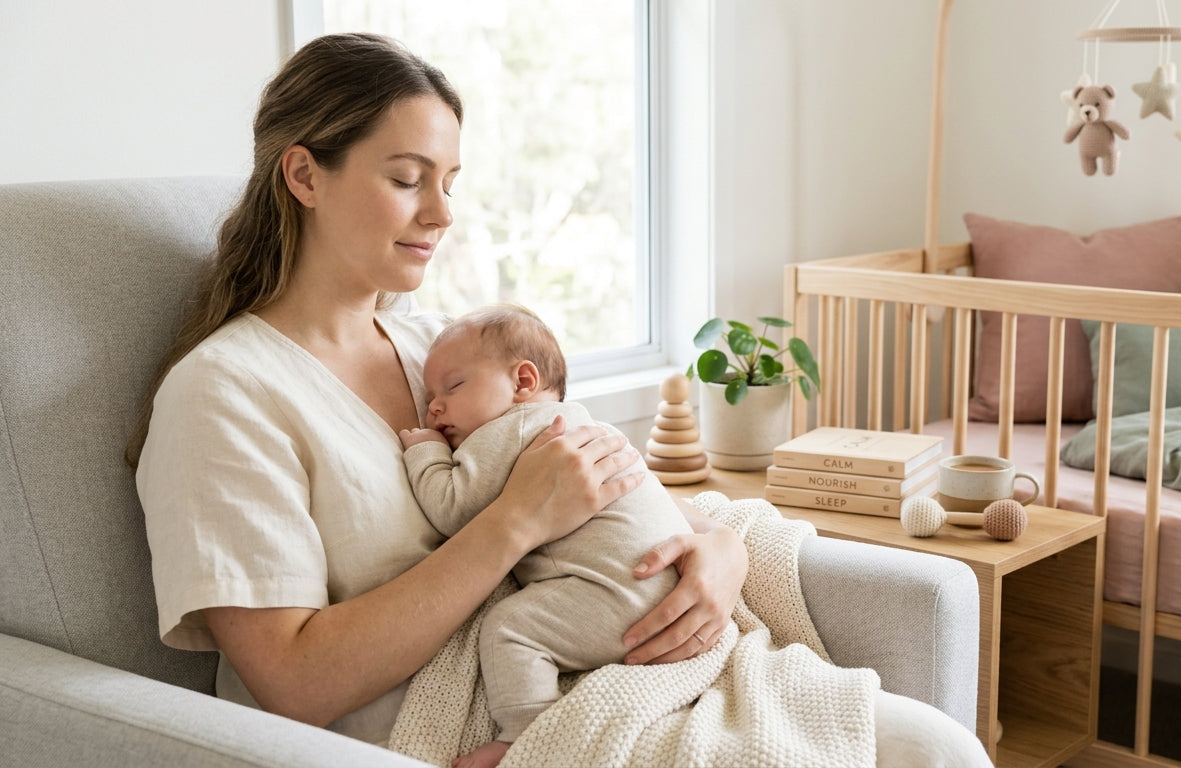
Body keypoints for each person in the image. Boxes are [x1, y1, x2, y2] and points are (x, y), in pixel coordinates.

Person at [129, 31, 990, 768]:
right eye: (406, 178)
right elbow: (292, 683)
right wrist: (514, 525)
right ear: (305, 176)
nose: (441, 213)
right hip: (460, 720)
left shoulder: (442, 354)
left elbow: (597, 503)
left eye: (451, 182)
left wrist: (718, 548)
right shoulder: (224, 395)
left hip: (589, 664)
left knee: (935, 747)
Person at [398, 304, 694, 768]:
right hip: (665, 586)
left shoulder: (508, 430)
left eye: (452, 387)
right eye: (430, 394)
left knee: (511, 629)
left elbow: (451, 510)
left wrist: (426, 452)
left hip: (618, 596)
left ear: (523, 383)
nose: (434, 406)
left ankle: (524, 735)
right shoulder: (581, 420)